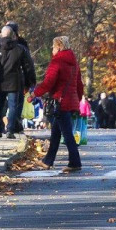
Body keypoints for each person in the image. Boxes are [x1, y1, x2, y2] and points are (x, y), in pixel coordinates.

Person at [33, 36, 83, 173]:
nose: (52, 50)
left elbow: (49, 82)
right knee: (56, 133)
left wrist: (35, 93)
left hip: (60, 102)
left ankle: (75, 162)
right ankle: (47, 161)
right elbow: (79, 84)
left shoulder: (57, 61)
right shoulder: (74, 63)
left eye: (53, 47)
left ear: (59, 47)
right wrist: (77, 101)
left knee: (67, 134)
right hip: (70, 102)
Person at [0, 25, 33, 139]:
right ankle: (10, 129)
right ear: (13, 35)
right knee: (13, 106)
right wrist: (30, 82)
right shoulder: (20, 49)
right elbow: (28, 67)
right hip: (14, 82)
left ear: (1, 35)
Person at [3, 22, 35, 133]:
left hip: (2, 78)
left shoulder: (0, 43)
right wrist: (30, 81)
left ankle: (11, 124)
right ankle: (12, 125)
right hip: (15, 79)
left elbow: (27, 64)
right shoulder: (21, 45)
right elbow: (28, 65)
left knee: (11, 104)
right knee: (15, 104)